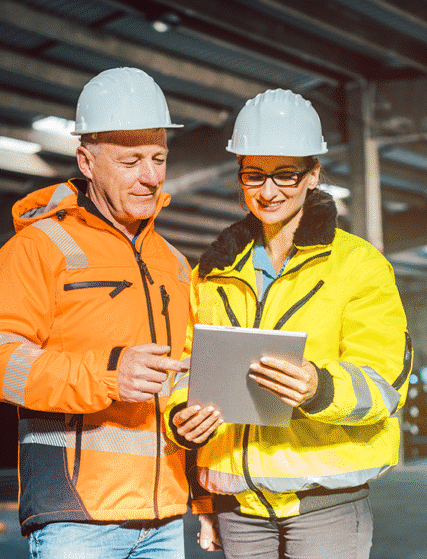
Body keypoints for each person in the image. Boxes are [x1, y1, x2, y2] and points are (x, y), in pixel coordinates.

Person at [164, 89, 413, 559]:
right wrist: (182, 418)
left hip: (325, 502)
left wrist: (320, 387)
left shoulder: (358, 266)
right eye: (254, 175)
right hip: (238, 506)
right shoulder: (211, 274)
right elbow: (184, 368)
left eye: (286, 174)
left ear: (312, 175)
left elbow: (385, 383)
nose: (268, 191)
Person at [0, 67, 193, 559]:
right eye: (131, 161)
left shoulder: (174, 265)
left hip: (165, 516)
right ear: (86, 161)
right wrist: (108, 374)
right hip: (76, 516)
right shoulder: (38, 248)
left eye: (158, 158)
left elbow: (180, 380)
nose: (151, 177)